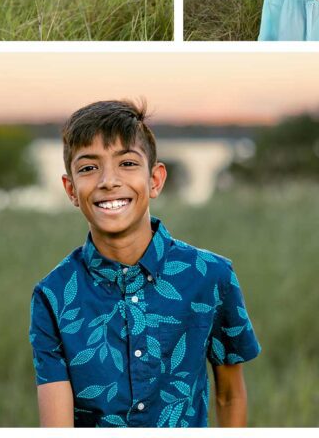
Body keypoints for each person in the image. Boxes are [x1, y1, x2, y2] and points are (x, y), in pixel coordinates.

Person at [30, 99, 260, 428]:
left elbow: (230, 395)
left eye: (126, 163)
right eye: (88, 168)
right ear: (70, 189)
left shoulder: (211, 276)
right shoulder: (53, 296)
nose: (108, 180)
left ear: (155, 180)